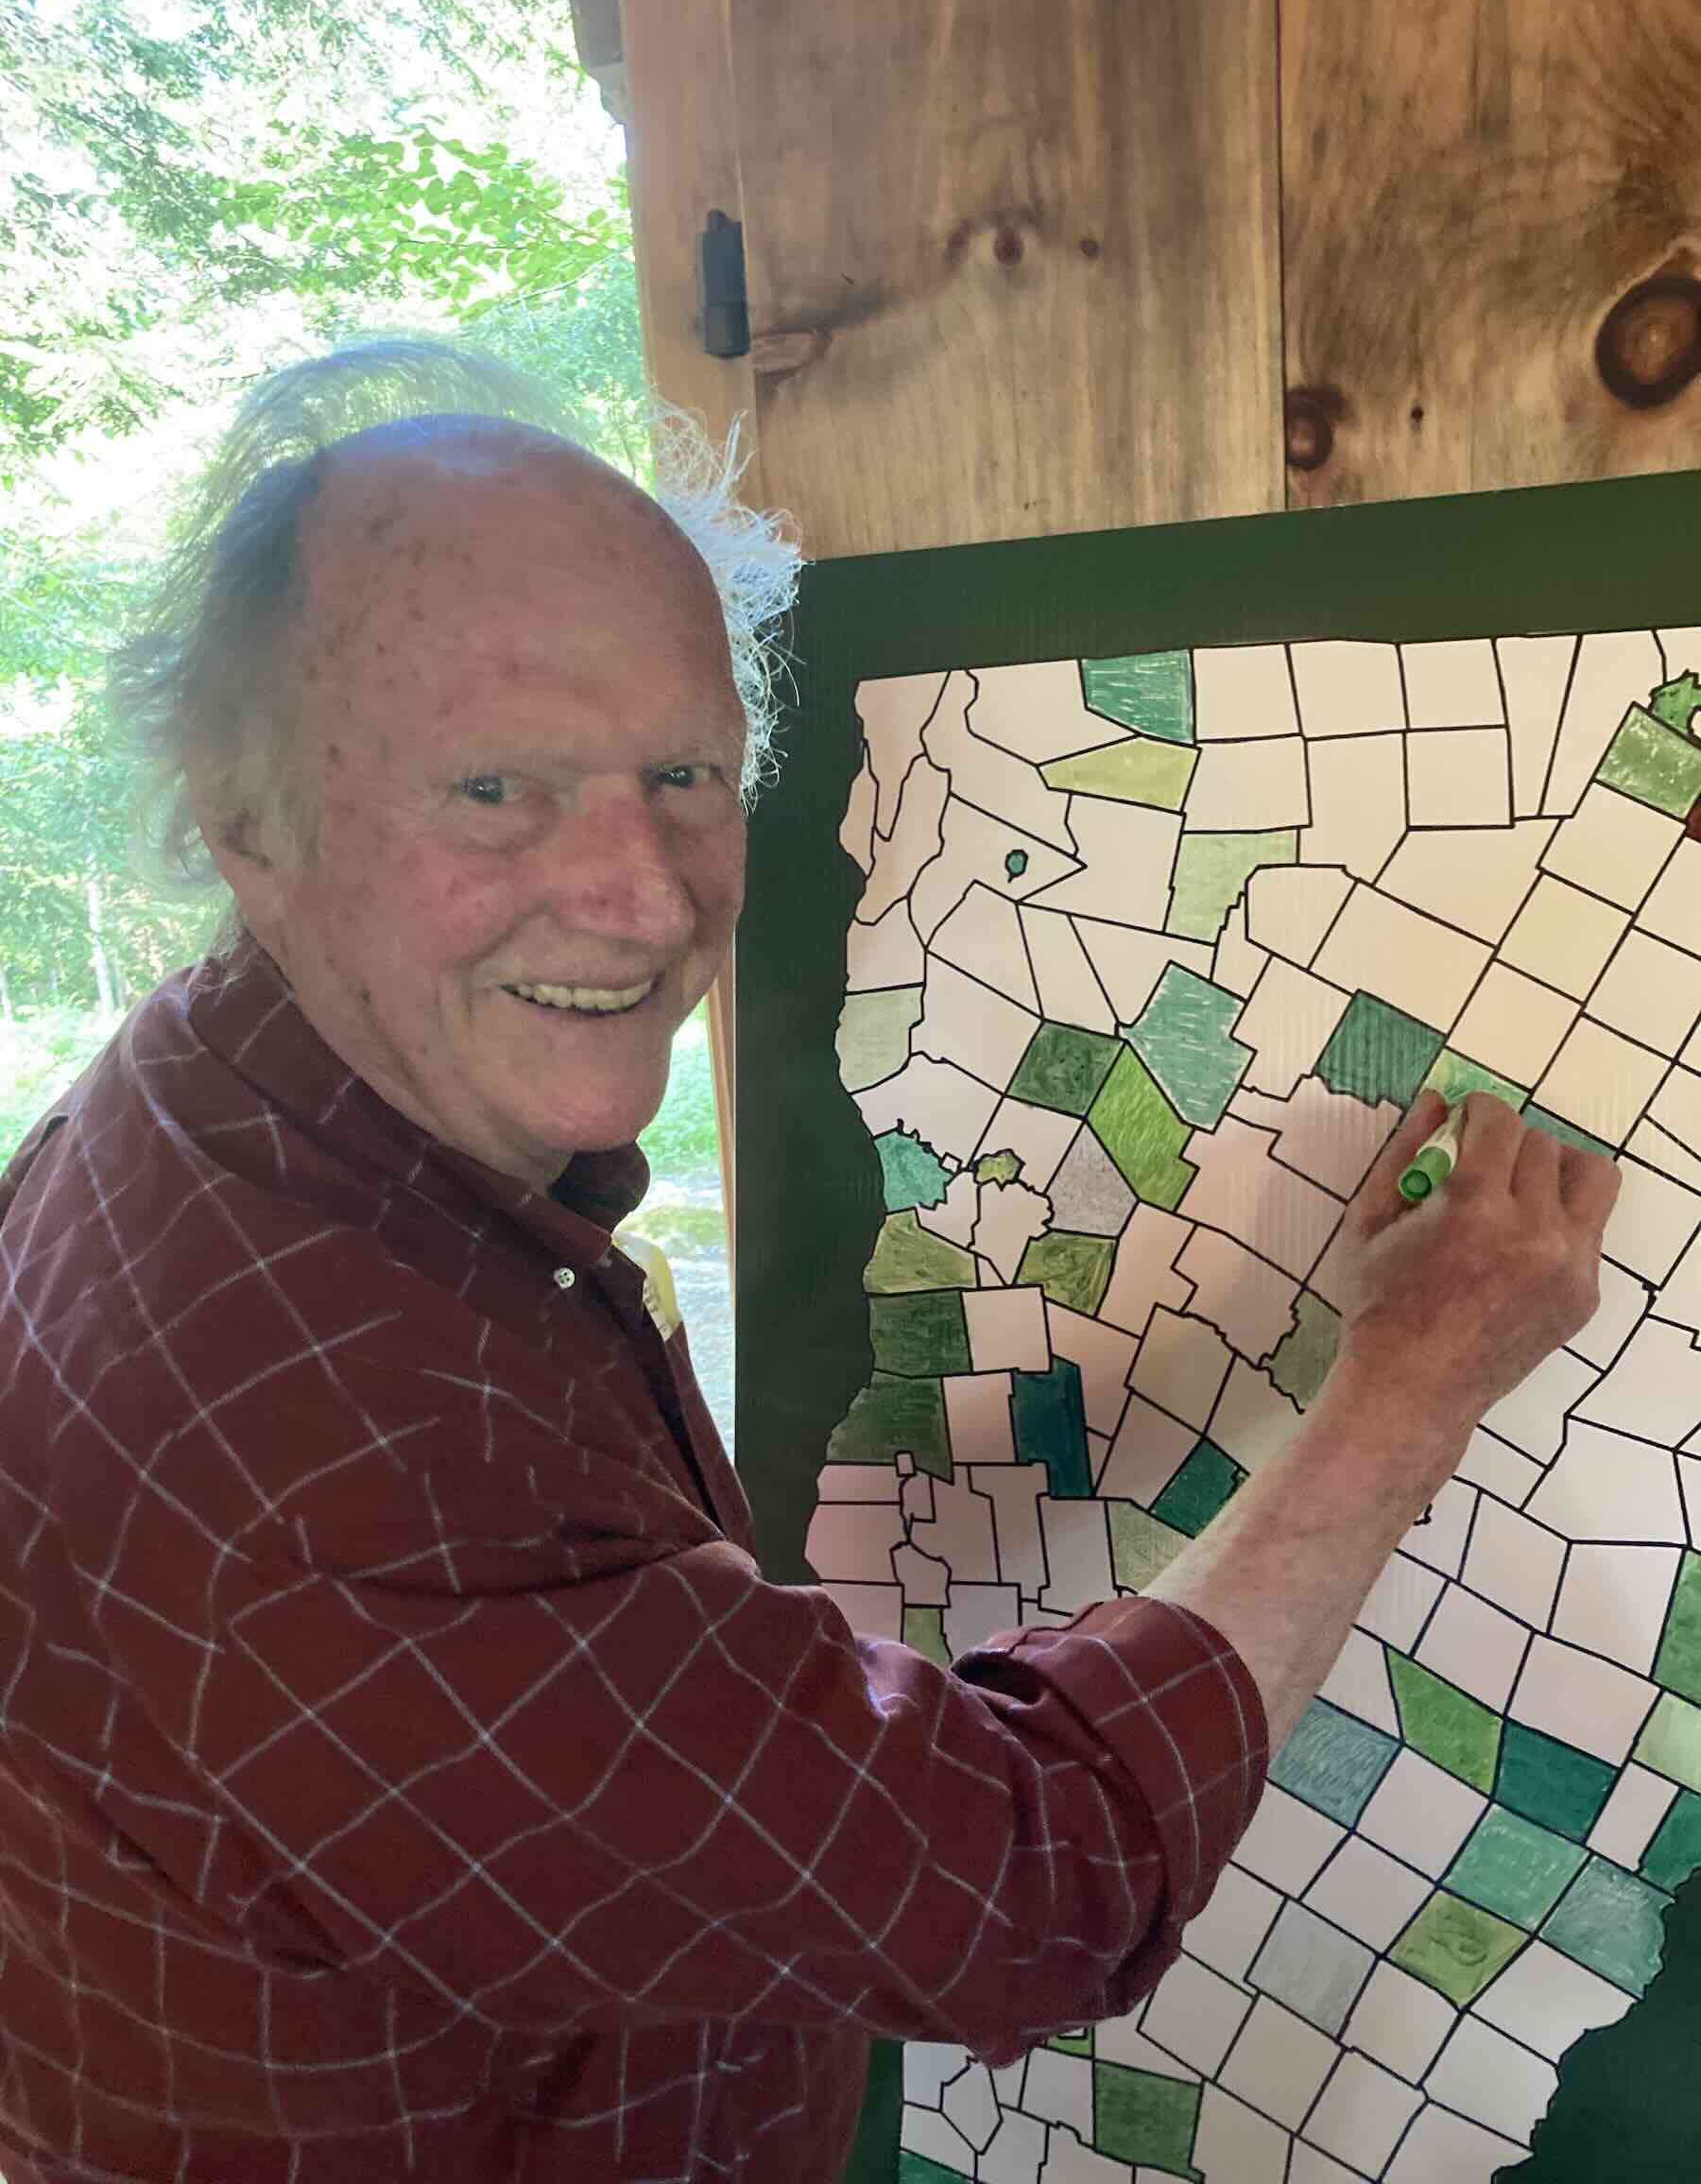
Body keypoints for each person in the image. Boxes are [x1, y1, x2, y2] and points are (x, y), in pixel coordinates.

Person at [0, 343, 1619, 2184]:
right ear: (248, 824)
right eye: (497, 788)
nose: (645, 888)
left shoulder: (198, 1095)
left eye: (686, 770)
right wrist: (1411, 1384)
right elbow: (1034, 1885)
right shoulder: (348, 1459)